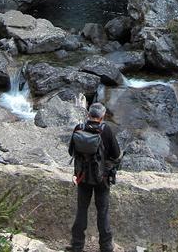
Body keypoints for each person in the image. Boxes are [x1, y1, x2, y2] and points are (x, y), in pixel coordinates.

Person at [67, 102, 121, 252]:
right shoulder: (106, 130)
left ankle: (77, 245)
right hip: (101, 178)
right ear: (102, 116)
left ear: (88, 114)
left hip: (82, 176)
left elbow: (71, 151)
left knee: (81, 210)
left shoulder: (79, 128)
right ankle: (106, 246)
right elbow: (116, 154)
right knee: (102, 211)